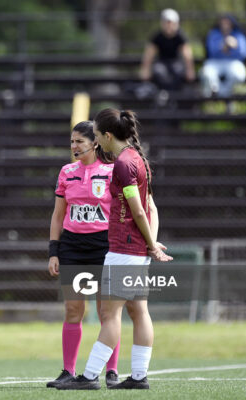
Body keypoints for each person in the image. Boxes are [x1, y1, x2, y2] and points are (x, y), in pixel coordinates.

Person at [56, 109, 172, 391]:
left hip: (124, 248)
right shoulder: (138, 159)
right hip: (136, 250)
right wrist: (151, 244)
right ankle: (139, 376)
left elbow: (139, 211)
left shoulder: (122, 164)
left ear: (107, 136)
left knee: (110, 315)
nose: (95, 141)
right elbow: (149, 208)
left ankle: (91, 376)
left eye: (95, 136)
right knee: (139, 311)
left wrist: (151, 245)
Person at [46, 121, 120, 389]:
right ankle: (68, 371)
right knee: (73, 309)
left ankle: (111, 371)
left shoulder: (112, 172)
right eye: (72, 141)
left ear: (95, 143)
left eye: (79, 141)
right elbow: (57, 215)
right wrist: (54, 251)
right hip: (73, 248)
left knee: (107, 312)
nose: (74, 146)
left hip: (104, 247)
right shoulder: (66, 172)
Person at [139, 9, 196, 94]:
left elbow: (187, 54)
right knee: (159, 71)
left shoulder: (180, 36)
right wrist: (145, 69)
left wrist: (190, 69)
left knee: (178, 71)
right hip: (162, 62)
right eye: (167, 22)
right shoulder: (157, 36)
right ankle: (164, 94)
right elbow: (149, 54)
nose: (169, 25)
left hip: (176, 62)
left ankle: (173, 96)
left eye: (171, 23)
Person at [200, 14, 246, 98]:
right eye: (223, 22)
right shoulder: (213, 34)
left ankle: (224, 93)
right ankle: (215, 94)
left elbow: (243, 54)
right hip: (215, 63)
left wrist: (235, 47)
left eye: (227, 22)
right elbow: (211, 51)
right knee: (206, 73)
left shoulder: (239, 35)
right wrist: (222, 47)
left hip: (233, 62)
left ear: (232, 23)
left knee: (239, 74)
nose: (225, 24)